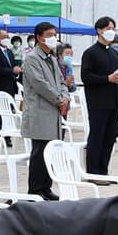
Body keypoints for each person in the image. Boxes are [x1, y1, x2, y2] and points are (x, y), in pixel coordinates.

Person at [19, 21, 68, 197]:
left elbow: (61, 82)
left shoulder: (52, 58)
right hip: (40, 112)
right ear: (39, 38)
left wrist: (65, 97)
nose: (54, 38)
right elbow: (40, 84)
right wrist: (58, 99)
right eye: (49, 35)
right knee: (39, 153)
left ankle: (46, 187)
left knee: (50, 152)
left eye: (54, 35)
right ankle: (35, 190)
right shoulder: (32, 58)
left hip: (53, 111)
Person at [78, 17, 118, 175]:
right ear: (99, 30)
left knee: (109, 137)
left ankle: (103, 170)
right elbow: (86, 77)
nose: (111, 31)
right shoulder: (90, 53)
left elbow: (117, 73)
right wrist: (107, 78)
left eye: (113, 28)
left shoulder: (114, 53)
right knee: (97, 137)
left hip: (114, 101)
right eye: (108, 28)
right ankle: (93, 172)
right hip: (98, 102)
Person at [0, 24, 20, 100]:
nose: (7, 38)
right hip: (1, 86)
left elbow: (13, 65)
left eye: (7, 36)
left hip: (11, 85)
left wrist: (17, 69)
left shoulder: (9, 51)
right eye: (4, 37)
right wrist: (12, 70)